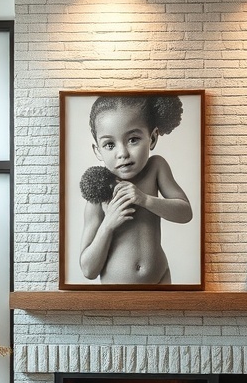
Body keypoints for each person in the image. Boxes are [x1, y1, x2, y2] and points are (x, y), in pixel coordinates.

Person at [79, 94, 192, 284]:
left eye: (133, 139)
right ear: (98, 150)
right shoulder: (100, 193)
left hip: (161, 279)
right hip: (119, 293)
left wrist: (145, 199)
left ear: (153, 138)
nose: (122, 153)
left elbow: (185, 212)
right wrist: (108, 224)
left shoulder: (156, 167)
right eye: (109, 144)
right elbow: (88, 269)